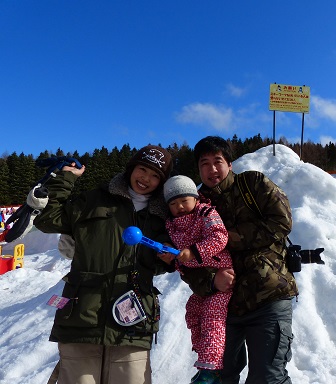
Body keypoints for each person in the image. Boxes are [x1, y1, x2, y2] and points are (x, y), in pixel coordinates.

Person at [33, 145, 214, 384]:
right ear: (131, 168)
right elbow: (48, 219)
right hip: (81, 317)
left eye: (155, 176)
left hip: (133, 323)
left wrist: (167, 261)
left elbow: (164, 263)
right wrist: (65, 177)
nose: (145, 179)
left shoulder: (163, 217)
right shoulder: (95, 199)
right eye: (142, 169)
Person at [190, 136, 299, 384]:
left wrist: (225, 239)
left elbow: (281, 222)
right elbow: (188, 259)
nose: (212, 169)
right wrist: (209, 281)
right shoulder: (196, 206)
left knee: (267, 377)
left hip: (268, 297)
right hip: (223, 308)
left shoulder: (253, 183)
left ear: (229, 163)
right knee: (219, 376)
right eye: (204, 164)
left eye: (217, 161)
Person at [163, 175, 232, 383]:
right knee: (193, 312)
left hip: (222, 274)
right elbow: (179, 257)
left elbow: (220, 237)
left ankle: (211, 369)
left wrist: (193, 251)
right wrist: (171, 259)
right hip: (201, 282)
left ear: (195, 198)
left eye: (184, 200)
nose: (180, 207)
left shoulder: (205, 212)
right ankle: (203, 357)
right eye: (174, 203)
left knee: (212, 314)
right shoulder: (171, 225)